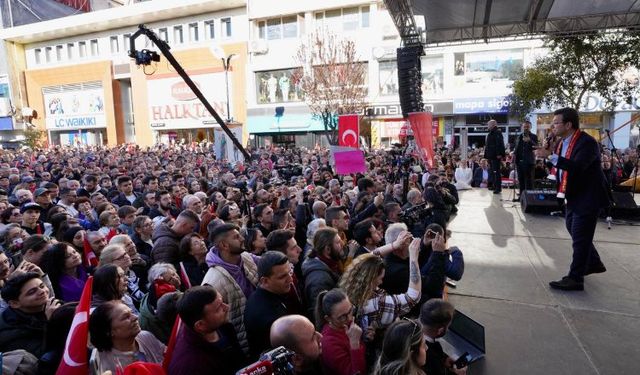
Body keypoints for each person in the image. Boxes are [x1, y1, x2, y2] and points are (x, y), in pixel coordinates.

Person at [535, 107, 609, 291]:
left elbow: (577, 167)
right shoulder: (562, 142)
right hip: (574, 195)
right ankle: (593, 262)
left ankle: (575, 278)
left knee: (580, 237)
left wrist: (551, 157)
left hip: (589, 196)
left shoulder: (587, 143)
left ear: (568, 124)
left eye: (556, 123)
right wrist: (551, 154)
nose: (553, 126)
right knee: (573, 229)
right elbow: (562, 167)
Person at [339, 237, 421, 330]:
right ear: (370, 279)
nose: (381, 282)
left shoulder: (351, 284)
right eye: (381, 278)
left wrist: (395, 244)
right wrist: (414, 258)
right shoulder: (376, 304)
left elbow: (369, 257)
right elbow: (412, 297)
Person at [201, 223, 259, 354]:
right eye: (236, 237)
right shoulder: (212, 282)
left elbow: (265, 262)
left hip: (260, 329)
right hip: (244, 344)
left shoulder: (245, 257)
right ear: (224, 245)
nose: (243, 239)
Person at [168, 285, 246, 375]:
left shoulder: (222, 326)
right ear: (200, 325)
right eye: (218, 308)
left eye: (222, 301)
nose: (227, 307)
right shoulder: (192, 367)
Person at [89, 300, 166, 375]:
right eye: (126, 317)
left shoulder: (146, 337)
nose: (135, 317)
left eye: (132, 312)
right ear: (108, 331)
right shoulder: (104, 366)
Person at [244, 251, 294, 357]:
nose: (290, 279)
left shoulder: (273, 294)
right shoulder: (266, 315)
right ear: (265, 281)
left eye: (290, 272)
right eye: (282, 277)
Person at [0, 273, 62, 358]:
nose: (42, 291)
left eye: (42, 286)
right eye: (32, 292)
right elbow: (41, 358)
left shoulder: (51, 305)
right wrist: (51, 324)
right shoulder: (9, 333)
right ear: (15, 303)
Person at [314, 288, 366, 375]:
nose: (349, 318)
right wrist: (354, 344)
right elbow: (356, 373)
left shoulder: (345, 324)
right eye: (342, 317)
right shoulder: (329, 343)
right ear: (328, 318)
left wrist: (366, 338)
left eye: (350, 311)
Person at [419, 299, 467, 375]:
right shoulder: (431, 359)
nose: (447, 329)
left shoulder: (407, 329)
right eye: (448, 326)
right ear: (440, 330)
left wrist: (444, 359)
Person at [513, 120, 539, 195]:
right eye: (524, 127)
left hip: (529, 162)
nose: (526, 128)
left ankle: (529, 198)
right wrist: (514, 160)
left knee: (529, 181)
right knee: (521, 180)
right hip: (519, 162)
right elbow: (516, 149)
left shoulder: (534, 136)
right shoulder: (519, 136)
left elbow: (536, 147)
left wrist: (530, 140)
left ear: (530, 127)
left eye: (527, 127)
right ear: (522, 127)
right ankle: (521, 197)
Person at [484, 119, 506, 194]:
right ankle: (494, 185)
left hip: (496, 156)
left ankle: (498, 188)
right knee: (493, 172)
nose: (488, 126)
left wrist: (499, 154)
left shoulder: (497, 132)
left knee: (496, 172)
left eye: (488, 124)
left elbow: (499, 144)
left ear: (493, 125)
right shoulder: (491, 133)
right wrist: (486, 156)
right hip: (491, 156)